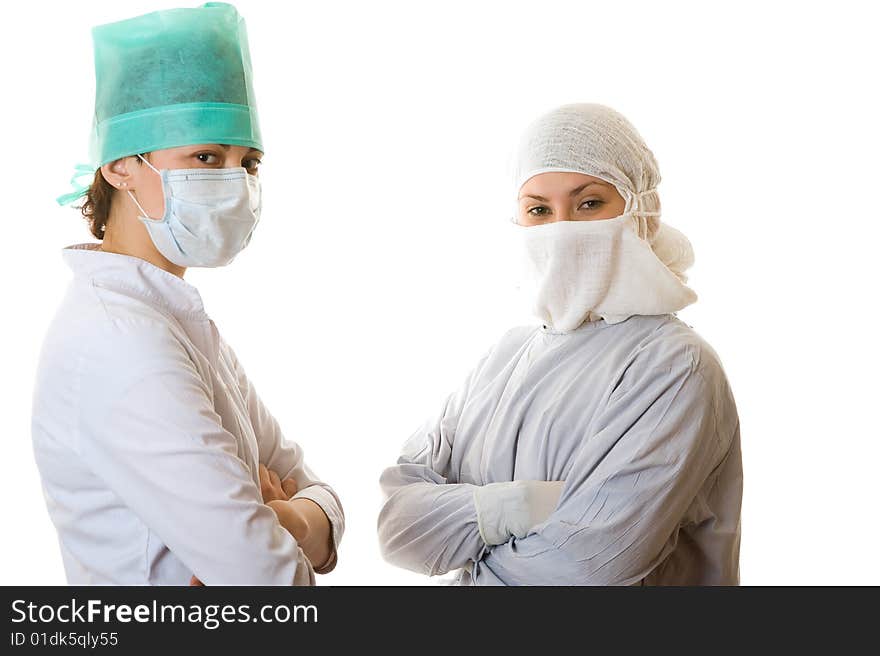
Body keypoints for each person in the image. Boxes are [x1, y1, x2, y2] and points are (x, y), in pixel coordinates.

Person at [32, 2, 343, 585]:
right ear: (121, 165)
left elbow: (317, 494)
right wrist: (292, 526)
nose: (235, 182)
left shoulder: (172, 318)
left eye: (248, 162)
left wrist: (292, 519)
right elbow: (273, 584)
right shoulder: (121, 341)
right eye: (205, 156)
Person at [377, 103, 742, 585]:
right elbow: (398, 527)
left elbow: (582, 568)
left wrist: (466, 542)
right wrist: (524, 505)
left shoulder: (674, 365)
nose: (562, 228)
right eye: (539, 210)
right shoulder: (505, 357)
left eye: (589, 203)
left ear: (641, 211)